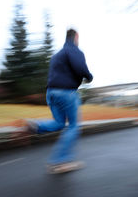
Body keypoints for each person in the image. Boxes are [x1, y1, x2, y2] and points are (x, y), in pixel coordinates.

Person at [26, 28, 93, 173]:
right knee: (74, 126)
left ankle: (36, 126)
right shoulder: (74, 50)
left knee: (59, 123)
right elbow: (80, 67)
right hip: (66, 92)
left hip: (51, 93)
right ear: (76, 36)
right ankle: (59, 161)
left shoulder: (57, 55)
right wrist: (89, 76)